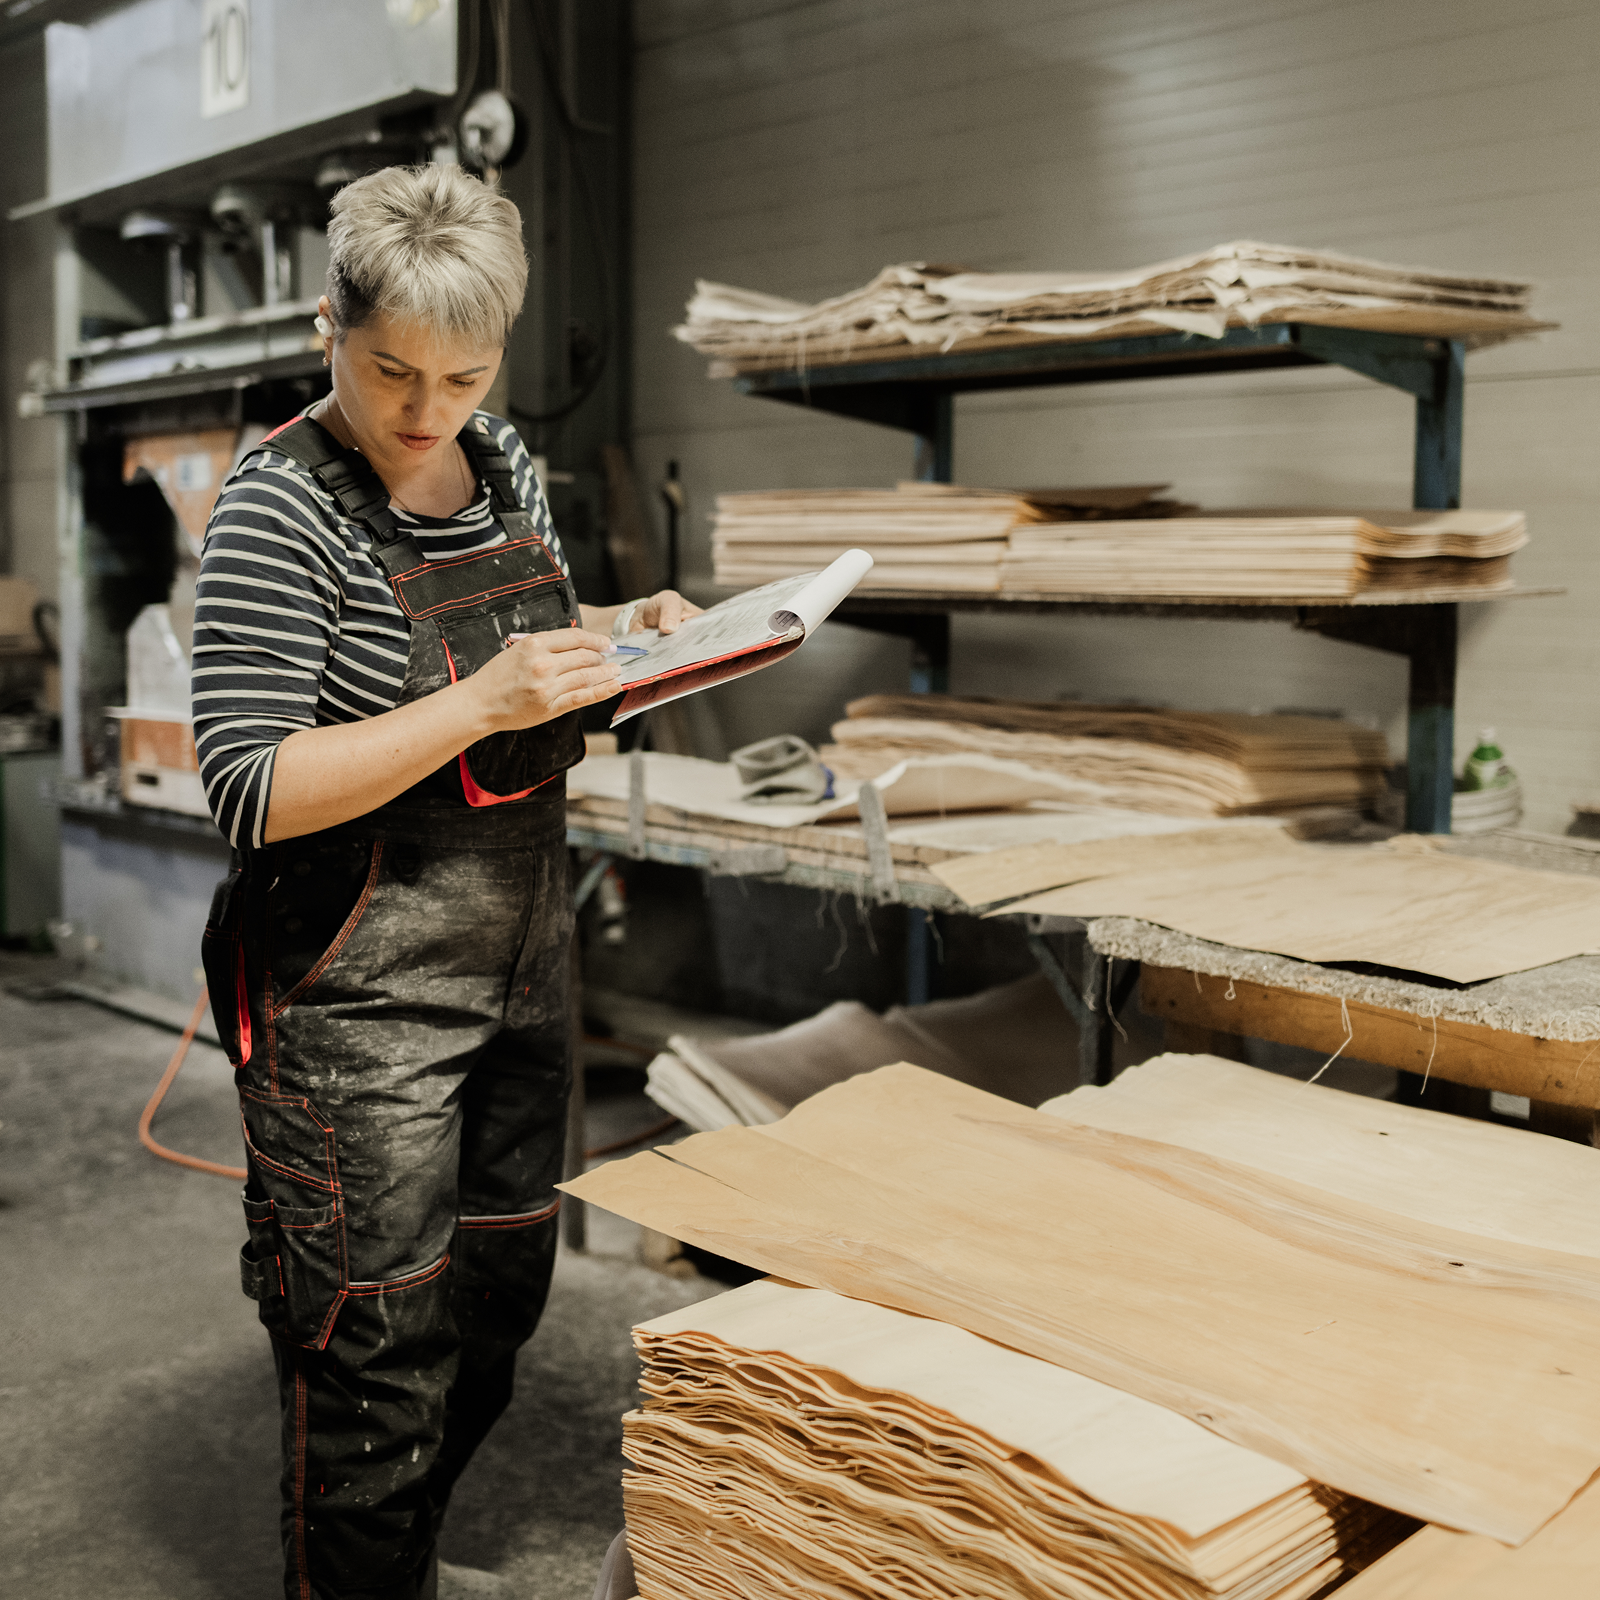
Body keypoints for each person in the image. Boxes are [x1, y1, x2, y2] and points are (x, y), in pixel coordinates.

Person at [191, 163, 699, 1600]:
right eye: (391, 369)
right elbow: (252, 782)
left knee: (493, 1303)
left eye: (464, 377)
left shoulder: (509, 459)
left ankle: (399, 1570)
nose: (428, 412)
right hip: (356, 1006)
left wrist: (628, 638)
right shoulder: (280, 510)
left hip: (521, 965)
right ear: (325, 328)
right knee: (373, 1361)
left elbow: (532, 649)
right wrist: (482, 702)